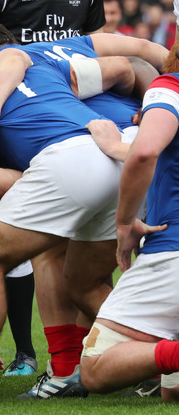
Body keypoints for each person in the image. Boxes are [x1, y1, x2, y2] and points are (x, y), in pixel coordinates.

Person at [0, 30, 166, 404]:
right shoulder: (37, 64)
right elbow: (128, 66)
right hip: (120, 155)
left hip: (72, 158)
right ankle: (161, 357)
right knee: (84, 281)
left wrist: (43, 183)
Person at [0, 0, 107, 375]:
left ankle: (88, 361)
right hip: (20, 125)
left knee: (83, 257)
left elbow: (99, 46)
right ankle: (49, 360)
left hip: (82, 121)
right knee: (40, 247)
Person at [79, 42, 179, 403]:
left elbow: (146, 151)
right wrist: (122, 148)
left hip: (172, 252)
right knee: (173, 391)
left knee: (94, 366)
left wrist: (124, 224)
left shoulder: (170, 86)